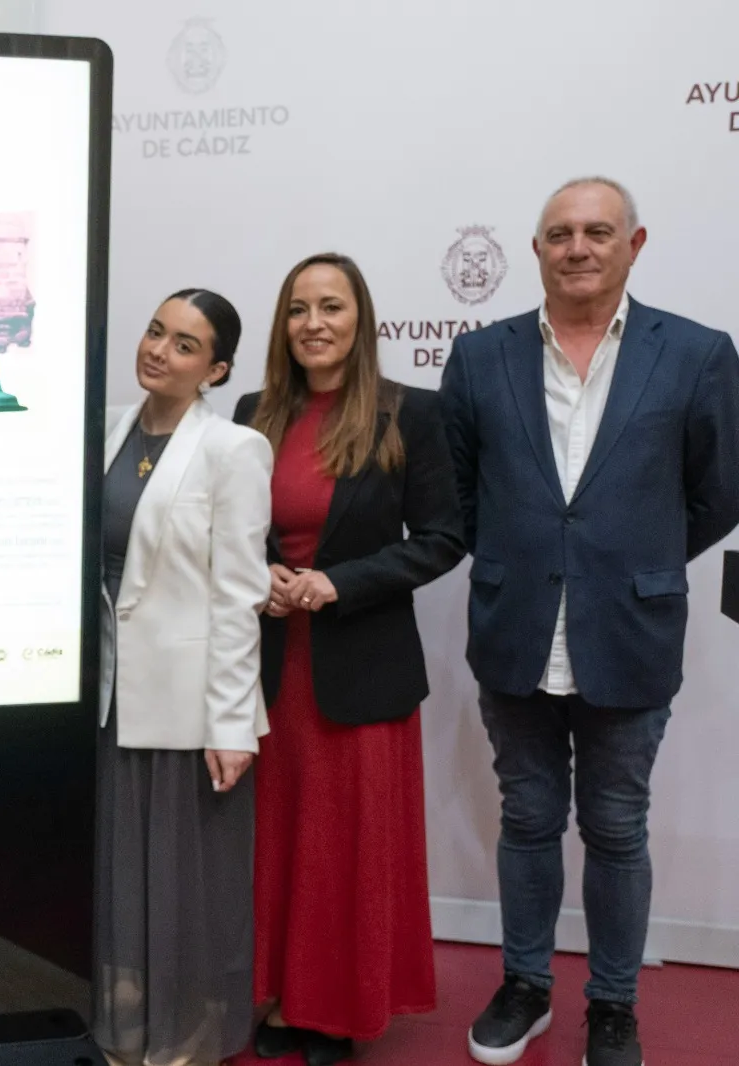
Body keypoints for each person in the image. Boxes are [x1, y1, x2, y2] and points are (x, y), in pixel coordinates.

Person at [441, 177, 739, 1066]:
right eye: (559, 233)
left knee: (617, 828)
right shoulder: (479, 356)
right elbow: (461, 490)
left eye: (597, 232)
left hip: (630, 633)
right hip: (514, 628)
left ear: (633, 245)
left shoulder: (695, 353)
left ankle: (613, 1005)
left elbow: (720, 492)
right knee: (527, 819)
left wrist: (633, 558)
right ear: (535, 249)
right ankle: (526, 984)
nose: (578, 247)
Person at [234, 253, 464, 1066]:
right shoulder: (250, 412)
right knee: (278, 841)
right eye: (298, 309)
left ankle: (336, 1009)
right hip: (266, 666)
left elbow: (443, 539)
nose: (314, 324)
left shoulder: (411, 414)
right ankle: (281, 995)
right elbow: (227, 529)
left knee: (346, 848)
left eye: (331, 307)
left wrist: (340, 583)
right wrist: (252, 572)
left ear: (360, 319)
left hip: (360, 666)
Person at [93, 288, 272, 1066]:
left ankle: (189, 1033)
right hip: (105, 697)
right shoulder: (105, 432)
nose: (158, 350)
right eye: (156, 331)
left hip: (187, 705)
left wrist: (232, 724)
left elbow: (240, 595)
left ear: (217, 369)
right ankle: (127, 1019)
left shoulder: (233, 450)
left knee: (185, 888)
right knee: (120, 876)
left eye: (185, 344)